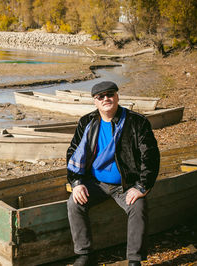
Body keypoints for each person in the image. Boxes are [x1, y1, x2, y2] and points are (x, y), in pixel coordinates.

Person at [66, 81, 160, 266]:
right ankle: (85, 255)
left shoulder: (136, 122)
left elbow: (151, 156)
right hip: (96, 183)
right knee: (74, 203)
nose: (106, 99)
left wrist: (142, 186)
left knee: (138, 206)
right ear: (95, 102)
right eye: (100, 96)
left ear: (117, 97)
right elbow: (73, 152)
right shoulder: (87, 122)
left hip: (126, 185)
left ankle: (134, 259)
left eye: (110, 94)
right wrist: (77, 183)